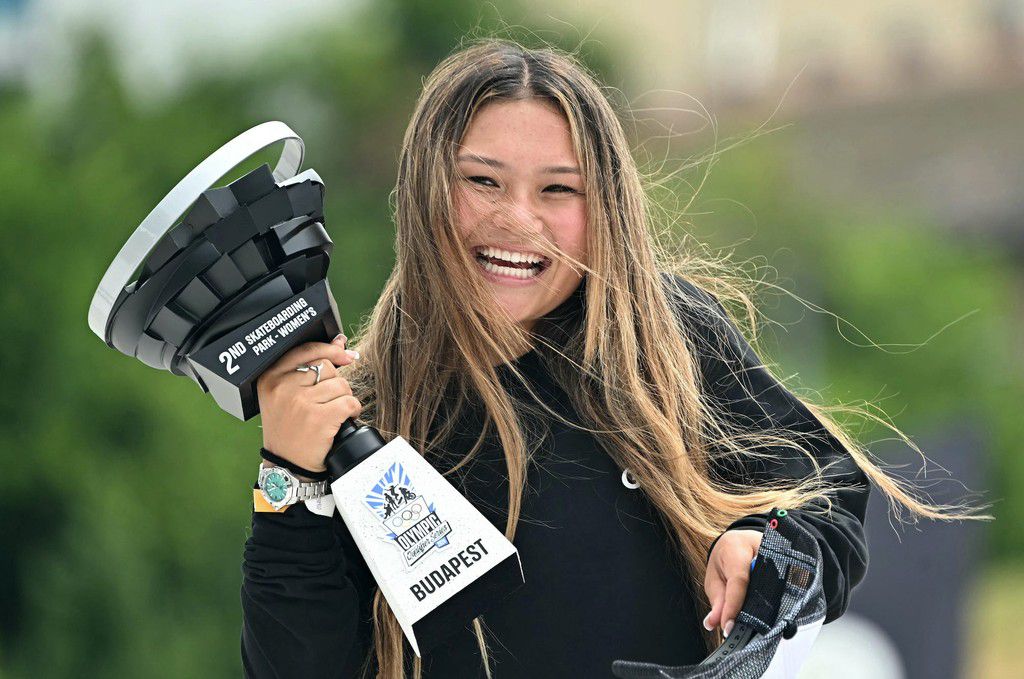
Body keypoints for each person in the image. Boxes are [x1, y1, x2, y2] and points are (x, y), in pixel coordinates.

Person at [240, 38, 986, 679]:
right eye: (482, 180)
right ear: (425, 190)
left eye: (558, 189)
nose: (518, 218)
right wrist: (288, 475)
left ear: (605, 208)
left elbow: (830, 496)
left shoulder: (664, 342)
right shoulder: (358, 411)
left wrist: (763, 543)